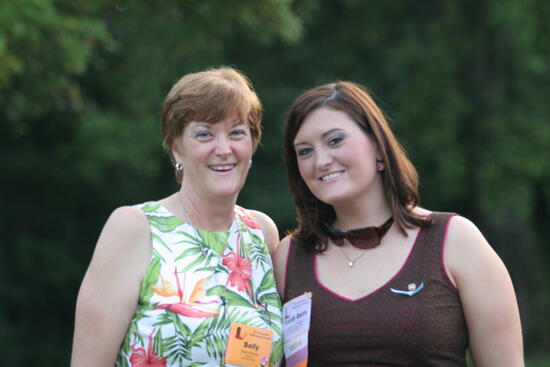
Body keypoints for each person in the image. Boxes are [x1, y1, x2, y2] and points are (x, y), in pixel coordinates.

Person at [273, 81, 523, 366]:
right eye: (305, 151)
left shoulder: (455, 241)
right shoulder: (288, 258)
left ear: (378, 147)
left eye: (335, 141)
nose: (321, 161)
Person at [72, 67, 283, 366]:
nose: (224, 149)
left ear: (252, 144)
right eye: (204, 134)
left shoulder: (261, 232)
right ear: (176, 149)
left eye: (237, 132)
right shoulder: (135, 228)